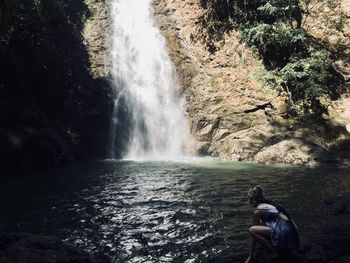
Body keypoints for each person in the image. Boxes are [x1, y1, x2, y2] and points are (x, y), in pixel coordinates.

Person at [244, 185, 300, 263]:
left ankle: (274, 252)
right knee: (261, 223)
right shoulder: (272, 205)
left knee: (252, 230)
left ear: (252, 200)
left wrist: (250, 256)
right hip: (294, 234)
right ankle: (280, 245)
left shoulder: (258, 210)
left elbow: (254, 236)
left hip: (284, 234)